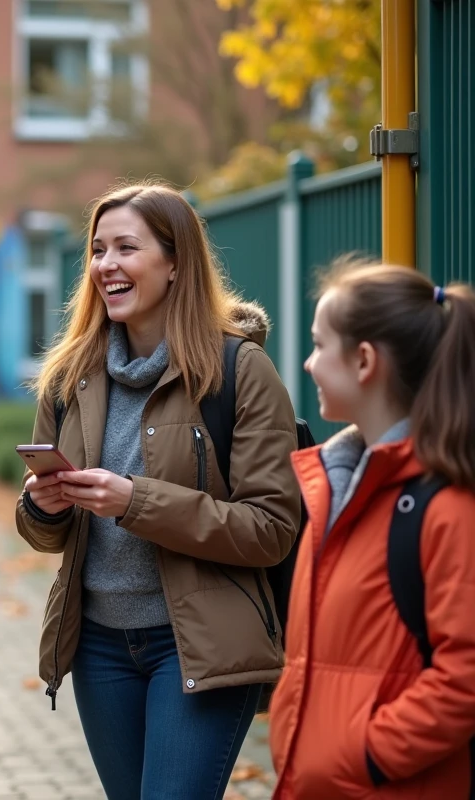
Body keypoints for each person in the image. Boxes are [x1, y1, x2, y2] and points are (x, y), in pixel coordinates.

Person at [15, 182, 302, 799]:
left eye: (126, 248)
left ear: (175, 264)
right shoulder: (70, 376)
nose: (105, 266)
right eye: (97, 250)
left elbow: (272, 528)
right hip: (97, 647)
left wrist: (134, 502)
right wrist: (40, 507)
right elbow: (43, 531)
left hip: (197, 647)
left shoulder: (238, 370)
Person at [270, 262, 475, 798]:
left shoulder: (446, 506)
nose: (308, 363)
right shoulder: (337, 486)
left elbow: (465, 679)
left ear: (364, 361)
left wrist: (362, 754)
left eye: (318, 345)